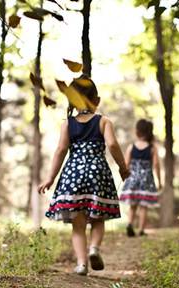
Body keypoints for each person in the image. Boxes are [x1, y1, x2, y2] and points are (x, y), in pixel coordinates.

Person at [38, 75, 130, 276]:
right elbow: (113, 145)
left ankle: (81, 264)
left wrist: (50, 178)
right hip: (98, 174)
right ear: (96, 100)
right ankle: (94, 249)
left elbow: (60, 151)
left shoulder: (68, 124)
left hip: (74, 175)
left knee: (77, 225)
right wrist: (123, 168)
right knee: (98, 219)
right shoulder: (103, 121)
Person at [120, 119, 162, 237]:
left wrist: (124, 177)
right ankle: (141, 230)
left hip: (132, 179)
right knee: (144, 206)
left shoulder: (131, 147)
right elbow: (156, 165)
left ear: (137, 132)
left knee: (132, 206)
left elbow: (126, 164)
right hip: (146, 181)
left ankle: (129, 224)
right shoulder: (152, 148)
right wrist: (159, 181)